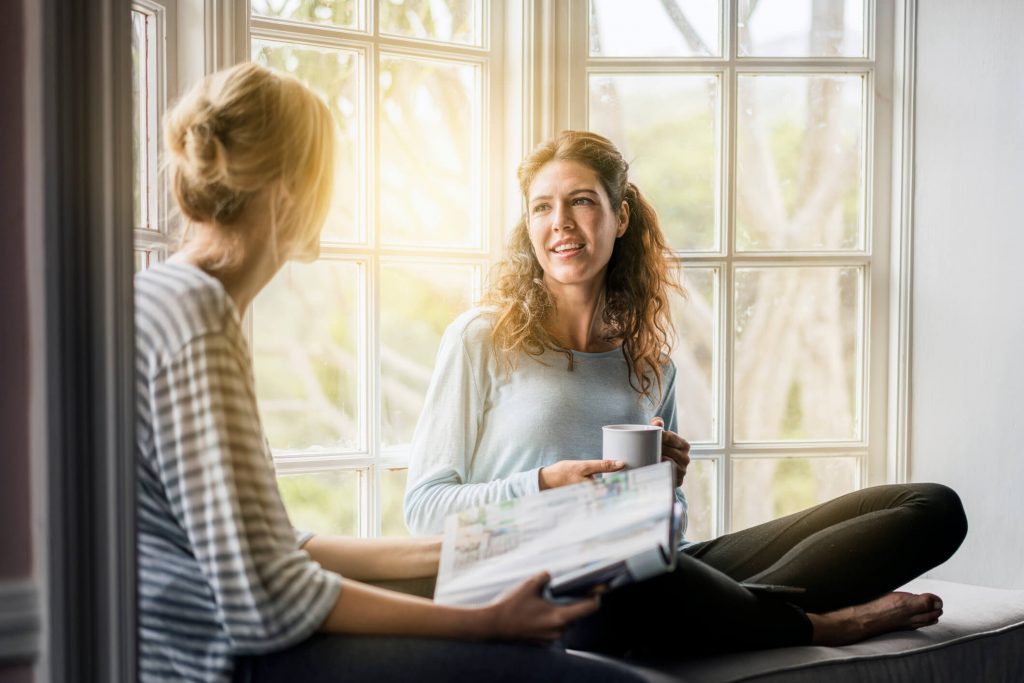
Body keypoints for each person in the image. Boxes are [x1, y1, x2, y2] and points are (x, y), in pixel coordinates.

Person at [135, 64, 643, 683]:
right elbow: (269, 599)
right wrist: (484, 623)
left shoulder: (172, 299)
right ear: (293, 193)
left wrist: (505, 540)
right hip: (219, 663)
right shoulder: (197, 318)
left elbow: (282, 549)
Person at [403, 130, 969, 655]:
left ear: (619, 217)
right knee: (634, 570)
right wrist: (548, 484)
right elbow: (424, 511)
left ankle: (731, 611)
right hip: (536, 580)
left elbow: (669, 528)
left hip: (648, 571)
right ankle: (828, 624)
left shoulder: (650, 364)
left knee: (932, 509)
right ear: (528, 225)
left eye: (581, 201)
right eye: (542, 207)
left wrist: (661, 490)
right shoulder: (483, 338)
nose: (561, 224)